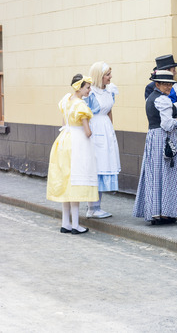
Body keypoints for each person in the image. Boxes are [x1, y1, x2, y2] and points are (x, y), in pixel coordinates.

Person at [134, 70, 177, 225]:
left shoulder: (151, 98)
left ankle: (156, 211)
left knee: (155, 174)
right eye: (165, 84)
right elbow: (166, 124)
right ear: (157, 84)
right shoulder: (163, 100)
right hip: (164, 138)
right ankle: (166, 212)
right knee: (167, 175)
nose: (168, 87)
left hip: (153, 138)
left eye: (170, 84)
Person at [47, 74, 99, 235]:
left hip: (63, 141)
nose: (90, 90)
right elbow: (88, 131)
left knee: (66, 181)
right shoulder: (81, 105)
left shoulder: (65, 100)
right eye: (87, 87)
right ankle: (75, 224)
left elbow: (64, 123)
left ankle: (65, 223)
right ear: (79, 88)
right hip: (77, 143)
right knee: (75, 181)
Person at [84, 61, 121, 219]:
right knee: (96, 167)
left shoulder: (110, 90)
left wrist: (111, 130)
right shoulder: (90, 93)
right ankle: (92, 207)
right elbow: (84, 115)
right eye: (107, 74)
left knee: (104, 165)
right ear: (100, 76)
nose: (110, 77)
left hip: (106, 130)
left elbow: (109, 111)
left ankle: (96, 206)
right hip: (95, 129)